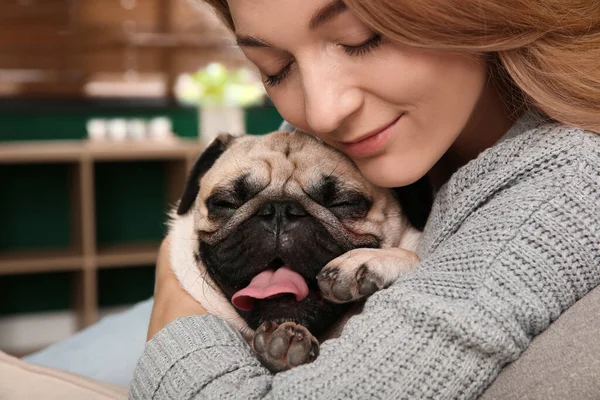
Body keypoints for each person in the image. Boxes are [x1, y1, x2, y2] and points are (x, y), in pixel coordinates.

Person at [31, 0, 600, 398]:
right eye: (274, 69)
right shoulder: (373, 132)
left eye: (360, 39)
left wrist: (172, 306)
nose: (322, 112)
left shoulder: (561, 190)